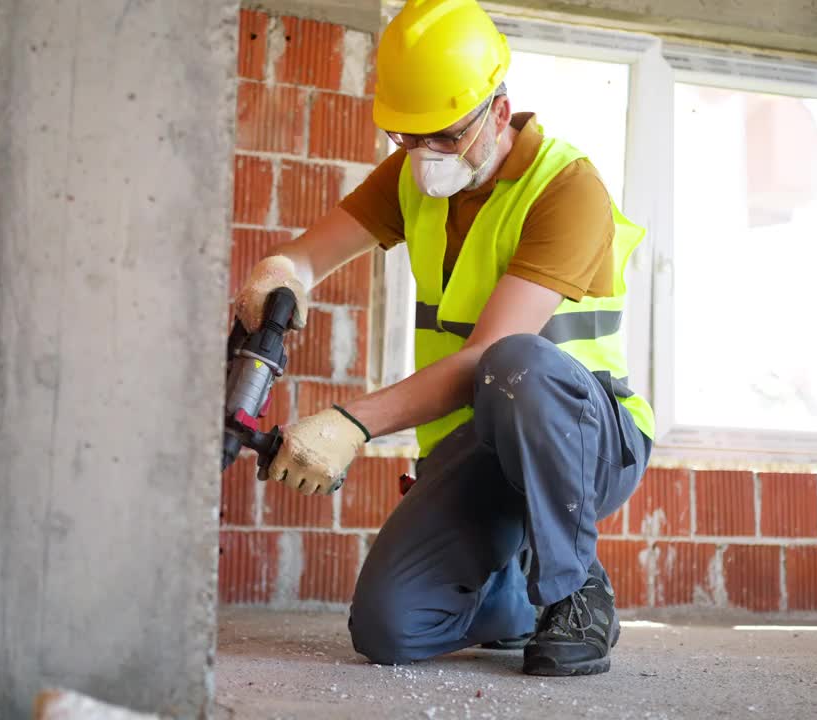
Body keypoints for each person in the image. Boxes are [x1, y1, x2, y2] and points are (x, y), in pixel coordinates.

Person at [231, 0, 653, 677]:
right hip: (482, 444)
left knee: (517, 363)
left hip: (586, 441)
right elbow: (308, 258)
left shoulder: (567, 187)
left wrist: (350, 423)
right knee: (388, 629)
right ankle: (506, 601)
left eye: (446, 137)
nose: (425, 157)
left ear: (498, 107)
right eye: (405, 137)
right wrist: (280, 272)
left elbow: (488, 356)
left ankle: (575, 593)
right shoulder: (415, 176)